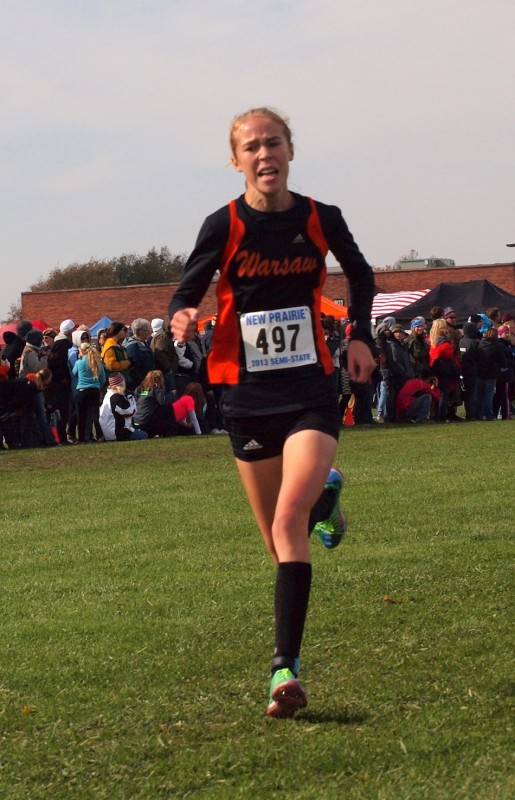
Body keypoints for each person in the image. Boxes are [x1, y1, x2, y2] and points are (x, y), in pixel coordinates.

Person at [169, 107, 375, 718]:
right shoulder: (223, 224)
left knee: (288, 524)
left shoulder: (320, 218)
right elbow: (189, 286)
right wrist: (181, 313)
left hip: (310, 389)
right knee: (278, 542)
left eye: (274, 143)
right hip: (245, 395)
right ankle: (325, 500)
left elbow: (361, 276)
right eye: (252, 147)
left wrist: (359, 334)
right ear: (237, 162)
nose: (265, 155)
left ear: (290, 151)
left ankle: (284, 669)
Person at [99, 372, 148, 441]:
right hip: (116, 433)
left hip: (108, 431)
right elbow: (131, 412)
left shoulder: (108, 394)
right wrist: (131, 400)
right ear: (121, 383)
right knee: (144, 435)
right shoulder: (116, 397)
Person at [72, 343, 106, 443]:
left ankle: (81, 438)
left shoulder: (79, 363)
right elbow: (103, 378)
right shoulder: (97, 362)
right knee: (93, 415)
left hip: (82, 391)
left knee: (81, 416)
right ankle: (95, 435)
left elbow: (74, 373)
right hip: (94, 391)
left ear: (81, 351)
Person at [429, 319, 460, 422]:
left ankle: (437, 415)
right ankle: (441, 416)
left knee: (438, 395)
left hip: (436, 371)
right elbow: (450, 358)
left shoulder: (434, 343)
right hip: (444, 372)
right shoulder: (445, 345)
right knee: (444, 395)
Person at [133, 369, 175, 437]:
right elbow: (163, 401)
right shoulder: (156, 389)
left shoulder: (140, 389)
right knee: (167, 408)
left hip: (136, 420)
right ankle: (168, 432)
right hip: (145, 421)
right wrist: (171, 394)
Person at [124, 318, 155, 390]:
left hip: (147, 380)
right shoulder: (133, 345)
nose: (149, 332)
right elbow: (133, 366)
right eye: (147, 330)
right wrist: (141, 381)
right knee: (142, 399)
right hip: (139, 383)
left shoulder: (143, 342)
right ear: (140, 331)